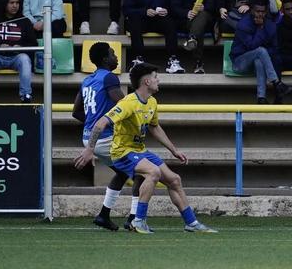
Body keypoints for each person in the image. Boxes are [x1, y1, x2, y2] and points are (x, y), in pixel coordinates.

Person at [75, 61, 216, 234]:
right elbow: (100, 124)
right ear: (146, 82)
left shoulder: (152, 102)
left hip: (139, 151)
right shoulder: (128, 103)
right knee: (153, 172)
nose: (159, 81)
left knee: (174, 180)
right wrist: (90, 149)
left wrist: (174, 150)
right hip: (122, 152)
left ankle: (191, 223)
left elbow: (154, 127)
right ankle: (138, 221)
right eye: (156, 77)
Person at [71, 42, 135, 231]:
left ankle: (103, 215)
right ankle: (134, 219)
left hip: (88, 136)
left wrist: (93, 124)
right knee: (142, 172)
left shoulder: (87, 80)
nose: (116, 57)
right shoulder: (110, 78)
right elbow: (125, 106)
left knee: (123, 172)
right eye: (113, 54)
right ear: (105, 59)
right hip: (106, 137)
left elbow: (76, 112)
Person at [122, 0, 183, 73]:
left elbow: (169, 6)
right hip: (141, 20)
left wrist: (166, 10)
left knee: (170, 23)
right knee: (134, 22)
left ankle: (173, 61)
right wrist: (144, 11)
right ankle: (138, 60)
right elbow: (126, 9)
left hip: (157, 20)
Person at [230, 0, 292, 104]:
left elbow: (275, 48)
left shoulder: (270, 24)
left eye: (263, 11)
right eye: (257, 11)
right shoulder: (243, 24)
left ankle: (261, 98)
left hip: (259, 62)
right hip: (239, 62)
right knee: (260, 51)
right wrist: (260, 28)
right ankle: (277, 82)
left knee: (259, 60)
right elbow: (251, 46)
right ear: (251, 11)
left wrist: (265, 53)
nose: (260, 14)